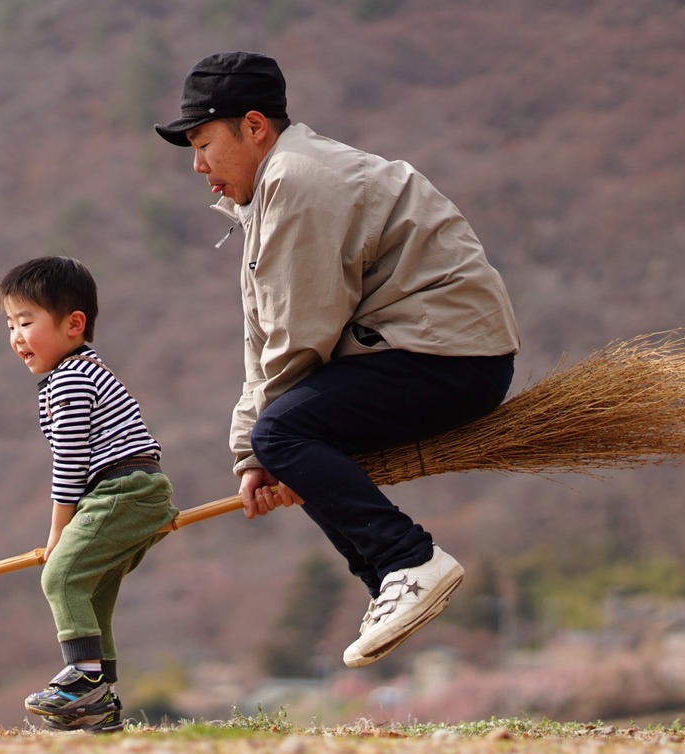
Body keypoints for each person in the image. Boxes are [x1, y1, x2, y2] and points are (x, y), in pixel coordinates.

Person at [156, 52, 520, 668]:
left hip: (449, 353)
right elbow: (263, 334)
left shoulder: (299, 184)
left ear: (253, 127)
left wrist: (270, 447)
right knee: (284, 433)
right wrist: (256, 455)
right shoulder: (276, 190)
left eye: (203, 143)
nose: (199, 167)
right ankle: (390, 580)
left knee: (288, 430)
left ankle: (408, 560)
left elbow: (298, 338)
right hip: (427, 350)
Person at [0, 256, 178, 731]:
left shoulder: (72, 379)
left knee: (60, 577)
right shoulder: (75, 374)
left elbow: (71, 461)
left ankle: (83, 681)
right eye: (10, 324)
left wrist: (59, 529)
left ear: (74, 324)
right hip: (132, 492)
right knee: (90, 595)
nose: (15, 336)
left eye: (27, 322)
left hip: (123, 491)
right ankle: (100, 702)